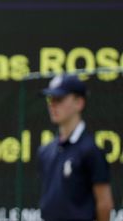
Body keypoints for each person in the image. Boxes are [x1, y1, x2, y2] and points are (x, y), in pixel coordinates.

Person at [38, 75, 114, 221]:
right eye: (50, 99)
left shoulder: (91, 150)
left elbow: (104, 204)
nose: (52, 105)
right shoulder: (45, 151)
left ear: (79, 103)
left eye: (59, 99)